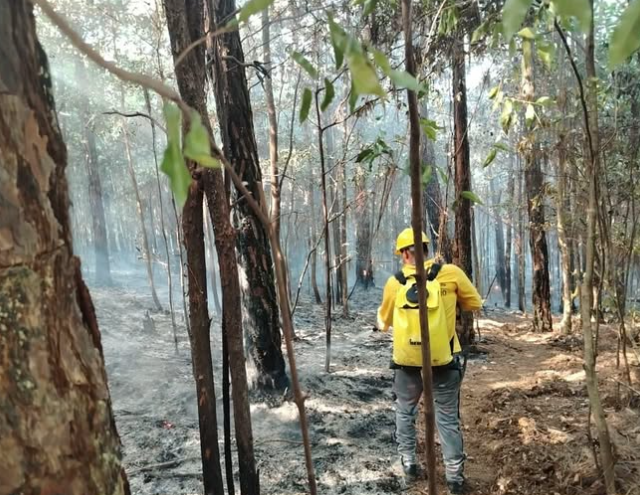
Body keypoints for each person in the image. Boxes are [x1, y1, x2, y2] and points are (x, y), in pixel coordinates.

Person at [377, 227, 482, 494]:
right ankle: (455, 478)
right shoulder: (451, 273)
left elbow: (383, 323)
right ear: (426, 250)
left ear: (404, 254)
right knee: (447, 419)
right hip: (443, 362)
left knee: (405, 411)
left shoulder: (394, 283)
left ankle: (409, 465)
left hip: (406, 365)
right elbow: (474, 303)